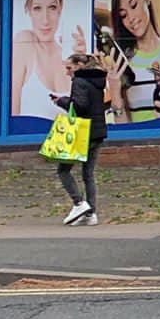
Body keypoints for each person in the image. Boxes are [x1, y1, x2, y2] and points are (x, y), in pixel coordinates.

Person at [53, 51, 118, 226]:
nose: (67, 72)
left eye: (69, 68)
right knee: (88, 174)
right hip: (98, 131)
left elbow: (80, 107)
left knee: (63, 170)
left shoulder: (79, 81)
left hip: (83, 133)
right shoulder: (98, 80)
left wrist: (63, 102)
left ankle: (79, 203)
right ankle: (91, 213)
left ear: (79, 66)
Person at [12, 0, 85, 120]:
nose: (45, 20)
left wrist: (84, 73)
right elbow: (11, 119)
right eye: (37, 8)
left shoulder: (69, 57)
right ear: (28, 9)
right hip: (29, 136)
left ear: (60, 7)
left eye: (52, 7)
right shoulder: (24, 42)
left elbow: (83, 120)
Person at [105, 0, 160, 122]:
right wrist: (115, 93)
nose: (131, 18)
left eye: (133, 6)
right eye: (123, 15)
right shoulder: (124, 64)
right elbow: (123, 129)